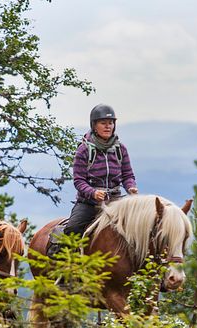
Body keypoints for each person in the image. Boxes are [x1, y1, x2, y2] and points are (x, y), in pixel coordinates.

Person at [48, 104, 138, 256]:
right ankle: (65, 271)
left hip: (116, 201)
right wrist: (93, 193)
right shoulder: (84, 150)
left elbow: (128, 175)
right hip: (88, 203)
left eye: (110, 123)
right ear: (94, 125)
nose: (108, 126)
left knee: (139, 227)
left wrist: (131, 187)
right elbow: (78, 180)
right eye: (103, 123)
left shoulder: (120, 149)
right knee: (73, 228)